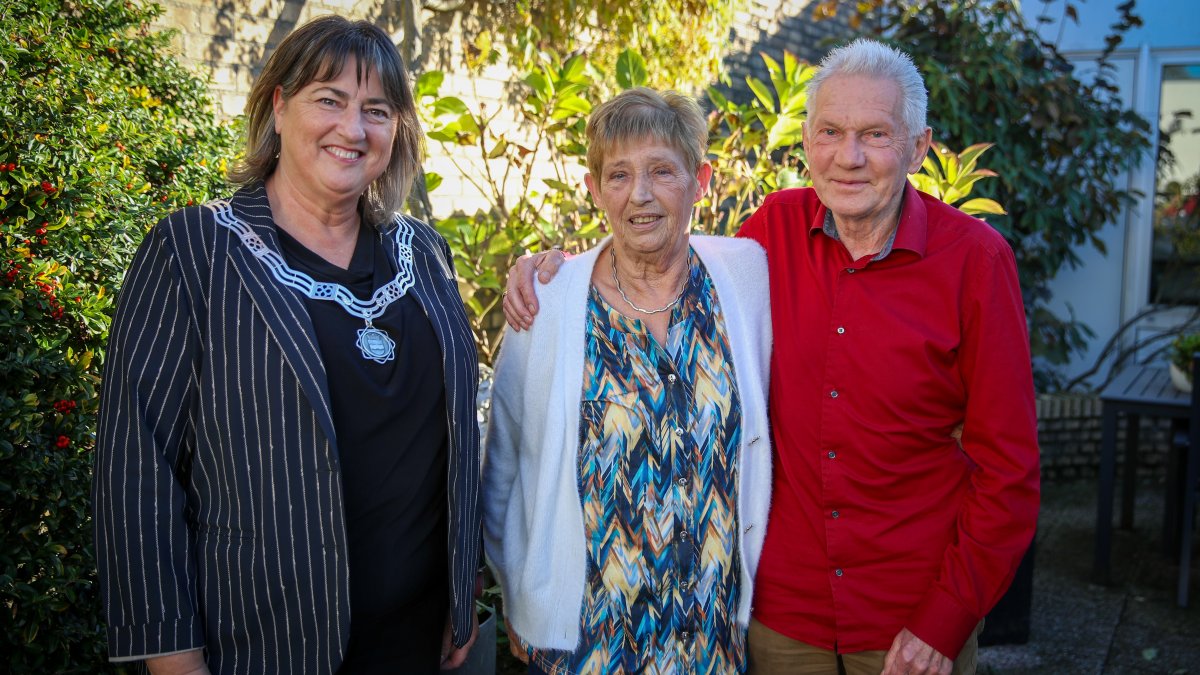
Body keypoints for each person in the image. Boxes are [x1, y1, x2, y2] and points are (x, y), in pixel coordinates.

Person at [503, 39, 1040, 675]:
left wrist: (946, 619)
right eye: (831, 132)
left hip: (909, 621)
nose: (850, 156)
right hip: (782, 622)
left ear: (919, 148)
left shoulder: (975, 263)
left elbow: (1008, 470)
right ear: (807, 143)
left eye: (875, 134)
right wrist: (556, 271)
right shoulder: (769, 239)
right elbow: (661, 244)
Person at [92, 15, 481, 674]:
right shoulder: (195, 250)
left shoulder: (426, 252)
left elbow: (455, 436)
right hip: (262, 645)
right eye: (329, 99)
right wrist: (172, 656)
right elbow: (138, 468)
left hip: (416, 642)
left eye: (376, 110)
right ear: (279, 105)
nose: (353, 129)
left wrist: (462, 588)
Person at [483, 87, 773, 674]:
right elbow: (502, 469)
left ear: (701, 180)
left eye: (662, 170)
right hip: (585, 642)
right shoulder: (546, 302)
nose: (639, 194)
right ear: (594, 191)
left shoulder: (747, 277)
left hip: (711, 639)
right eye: (617, 175)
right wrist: (519, 596)